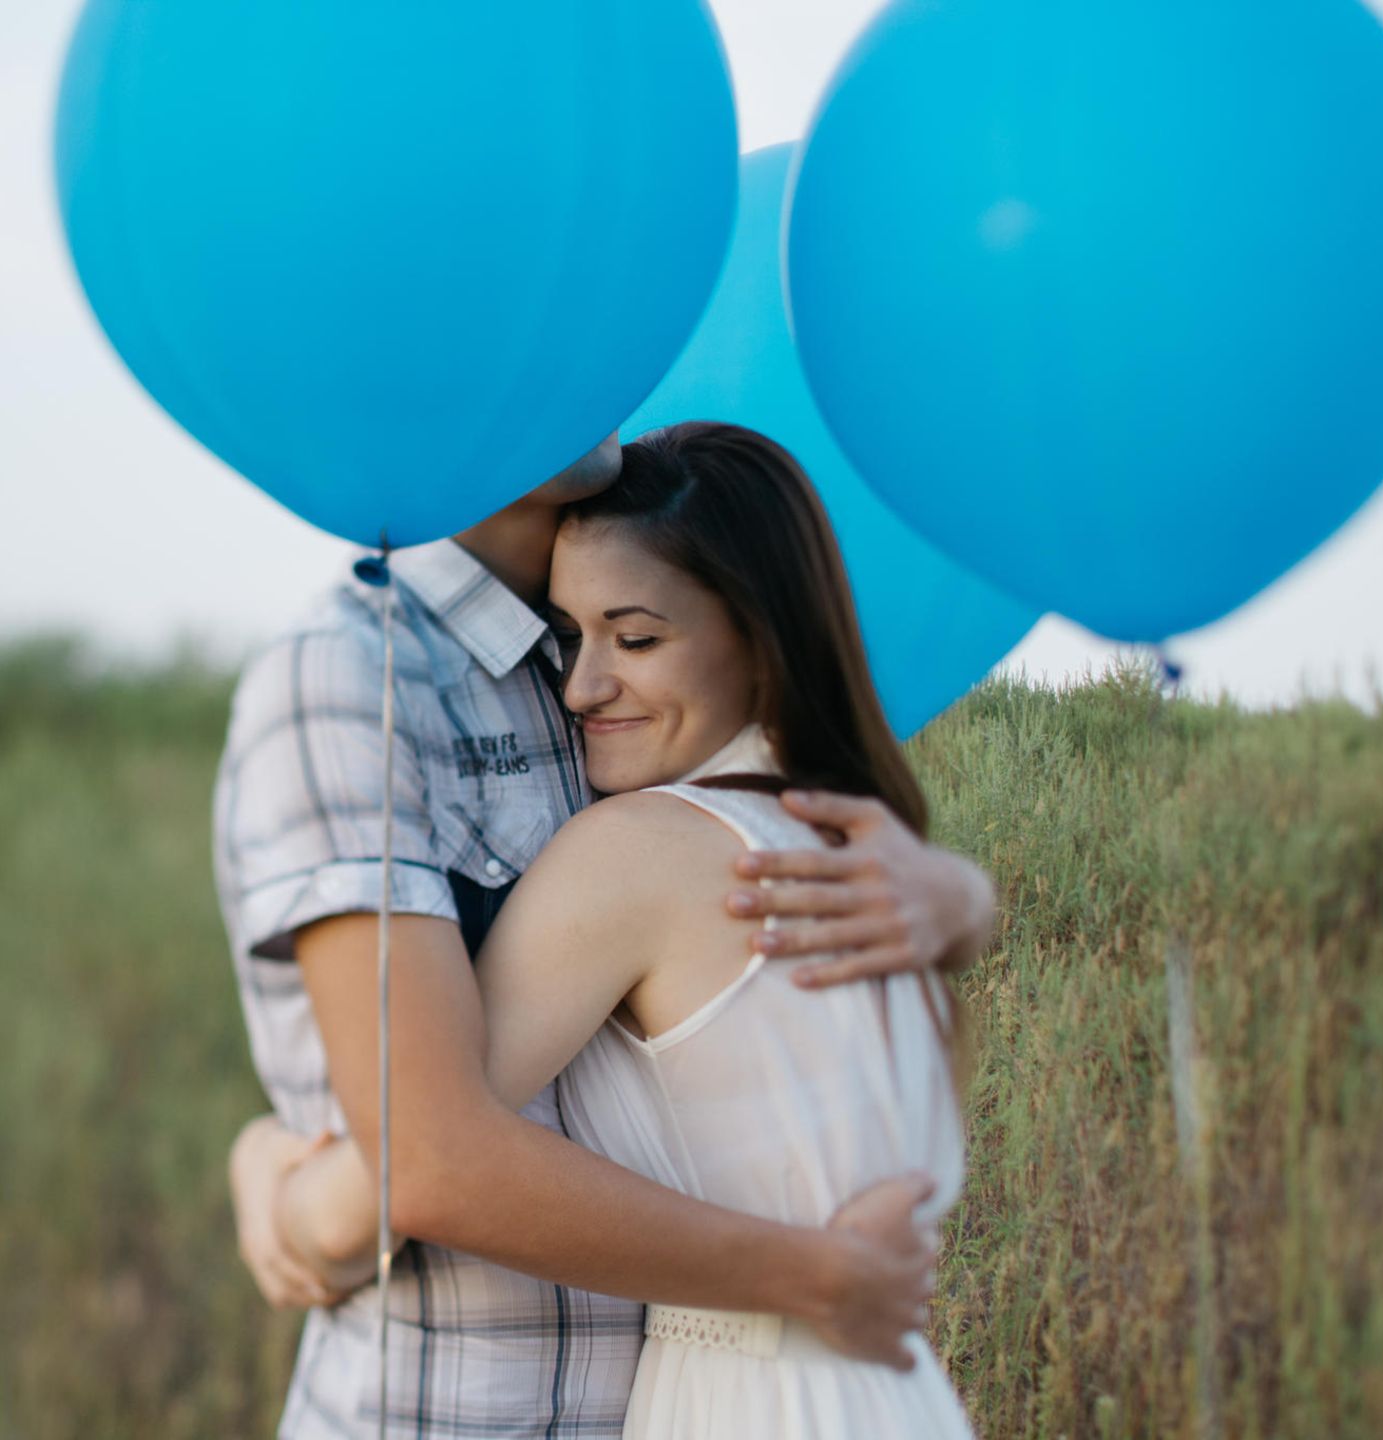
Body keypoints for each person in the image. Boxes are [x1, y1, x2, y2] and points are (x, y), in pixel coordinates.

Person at [228, 423, 986, 1438]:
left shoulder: (645, 848)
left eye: (634, 638)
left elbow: (409, 1165)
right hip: (876, 1399)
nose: (581, 684)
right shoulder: (859, 848)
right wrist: (968, 900)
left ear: (761, 636)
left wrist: (273, 1174)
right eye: (576, 637)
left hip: (743, 1392)